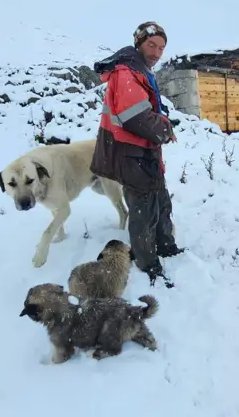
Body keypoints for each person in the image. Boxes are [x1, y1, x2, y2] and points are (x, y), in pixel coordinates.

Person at [90, 21, 185, 288]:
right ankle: (147, 262)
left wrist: (161, 128)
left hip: (145, 154)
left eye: (161, 47)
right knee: (143, 214)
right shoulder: (126, 72)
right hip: (132, 156)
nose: (156, 52)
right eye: (151, 45)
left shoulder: (140, 71)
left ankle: (166, 246)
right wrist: (165, 128)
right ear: (139, 43)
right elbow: (136, 116)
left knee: (161, 204)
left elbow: (145, 113)